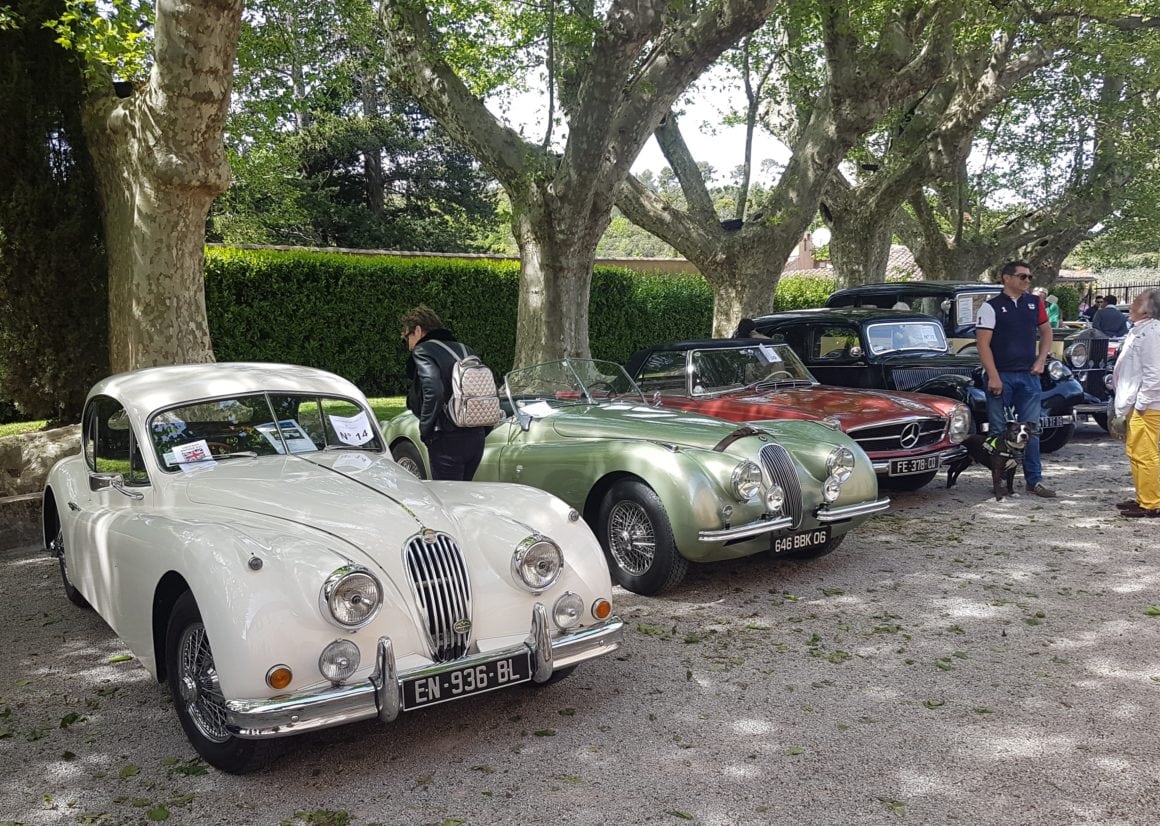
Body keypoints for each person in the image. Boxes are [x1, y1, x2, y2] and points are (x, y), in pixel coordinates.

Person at [975, 260, 1056, 497]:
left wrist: (1041, 360)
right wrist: (993, 376)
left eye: (1030, 277)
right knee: (998, 429)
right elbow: (983, 343)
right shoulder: (990, 307)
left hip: (1028, 375)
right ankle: (999, 479)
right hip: (1001, 374)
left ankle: (1034, 480)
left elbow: (1046, 331)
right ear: (1007, 278)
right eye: (1023, 276)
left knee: (1032, 429)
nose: (1027, 281)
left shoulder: (1035, 303)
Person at [401, 305, 487, 480]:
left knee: (447, 494)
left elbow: (434, 391)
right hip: (476, 436)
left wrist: (426, 430)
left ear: (417, 330)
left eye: (407, 337)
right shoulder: (466, 350)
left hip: (447, 438)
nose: (409, 346)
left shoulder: (423, 351)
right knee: (464, 492)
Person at [1110, 289, 1160, 518]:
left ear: (1149, 311)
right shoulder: (1141, 330)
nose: (1131, 304)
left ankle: (1152, 502)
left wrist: (1141, 403)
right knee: (1136, 450)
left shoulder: (1152, 333)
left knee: (1145, 452)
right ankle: (1144, 497)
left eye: (1138, 301)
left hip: (1148, 405)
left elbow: (1154, 374)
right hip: (1139, 403)